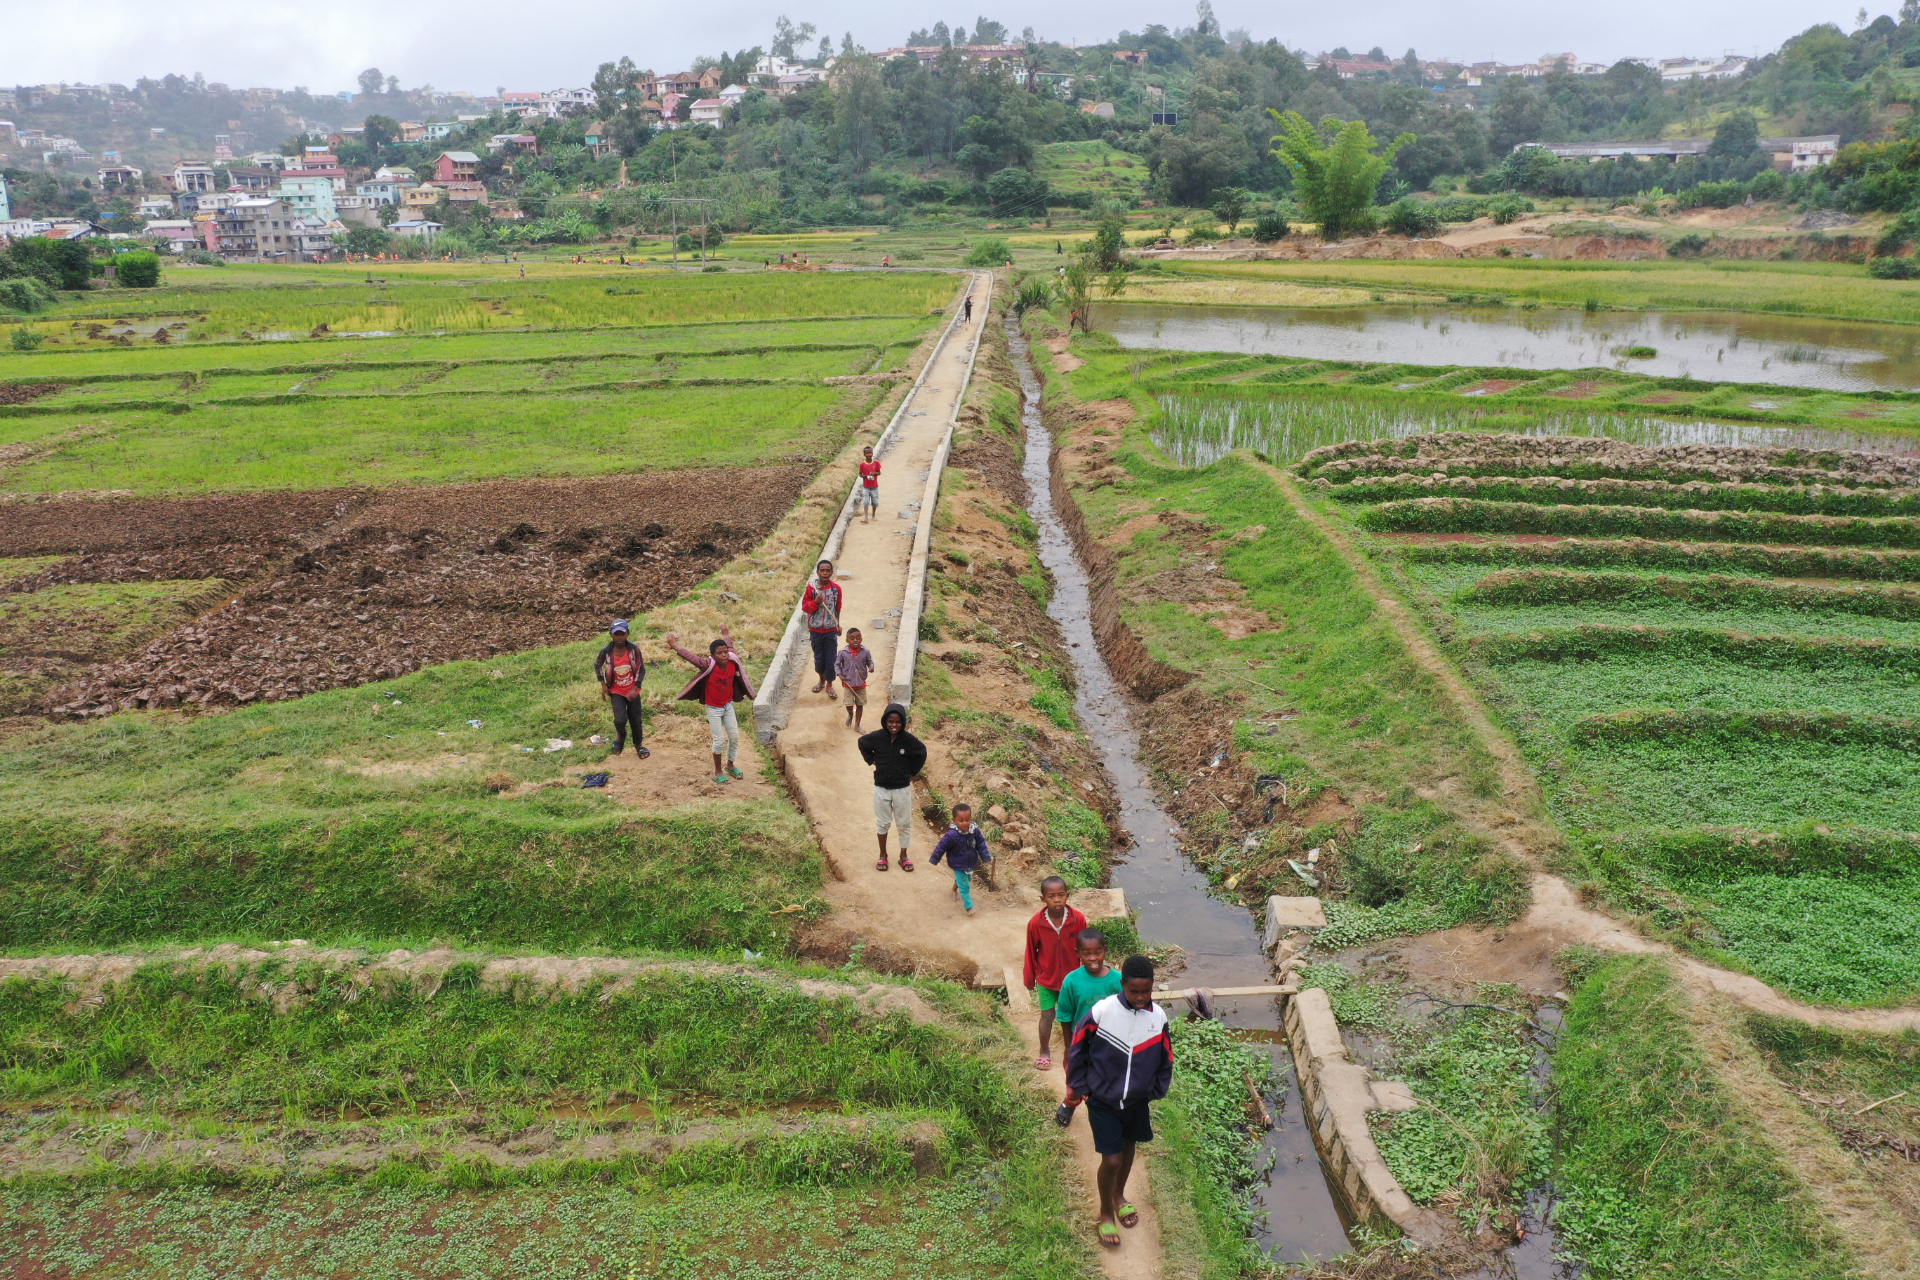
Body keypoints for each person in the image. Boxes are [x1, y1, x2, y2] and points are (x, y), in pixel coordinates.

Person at [1066, 954, 1171, 1249]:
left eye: (1146, 991)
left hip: (1137, 1101)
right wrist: (1079, 1084)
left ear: (1152, 988)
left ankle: (1119, 1195)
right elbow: (1078, 1047)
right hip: (1103, 1099)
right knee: (1111, 1160)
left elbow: (1165, 1058)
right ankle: (1105, 1212)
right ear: (1122, 984)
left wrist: (1156, 1089)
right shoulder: (1103, 1012)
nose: (1140, 998)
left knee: (1127, 1151)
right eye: (1133, 991)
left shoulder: (1158, 1018)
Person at [666, 624, 755, 784]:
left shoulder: (732, 661)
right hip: (713, 708)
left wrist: (726, 632)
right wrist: (674, 646)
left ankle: (730, 765)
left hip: (728, 706)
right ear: (712, 656)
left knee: (734, 736)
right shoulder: (708, 665)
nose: (724, 655)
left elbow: (730, 644)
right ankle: (717, 771)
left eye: (725, 652)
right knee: (719, 740)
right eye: (719, 653)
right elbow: (691, 657)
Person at [1053, 928, 1124, 1126]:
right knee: (1076, 1080)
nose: (1093, 958)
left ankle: (1103, 1113)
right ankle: (1070, 1103)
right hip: (1080, 1044)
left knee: (1105, 1082)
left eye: (1098, 952)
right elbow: (1065, 1016)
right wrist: (1068, 1047)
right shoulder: (1072, 981)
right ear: (1078, 954)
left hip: (1108, 1044)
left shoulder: (1118, 981)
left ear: (1105, 951)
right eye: (1087, 953)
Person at [1023, 877, 1088, 1071]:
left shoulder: (1078, 919)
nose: (1057, 900)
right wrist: (1029, 978)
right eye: (1051, 896)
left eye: (1061, 895)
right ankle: (1044, 1051)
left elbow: (1086, 949)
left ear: (1067, 895)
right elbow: (1030, 951)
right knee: (1047, 1016)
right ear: (1043, 899)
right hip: (1046, 979)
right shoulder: (1036, 923)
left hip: (1071, 981)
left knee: (1072, 1017)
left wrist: (1086, 975)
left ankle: (1072, 1051)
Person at [858, 702, 925, 872]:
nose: (894, 725)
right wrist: (871, 760)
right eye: (890, 721)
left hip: (902, 790)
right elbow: (862, 742)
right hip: (881, 789)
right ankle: (883, 855)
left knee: (903, 823)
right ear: (885, 722)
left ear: (903, 723)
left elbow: (921, 752)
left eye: (898, 722)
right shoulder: (877, 737)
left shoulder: (909, 741)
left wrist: (911, 773)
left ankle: (903, 856)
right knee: (883, 823)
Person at [594, 619, 649, 759]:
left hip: (632, 691)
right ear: (611, 635)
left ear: (628, 634)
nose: (620, 637)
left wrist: (636, 687)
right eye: (616, 634)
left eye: (622, 634)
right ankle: (621, 735)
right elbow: (597, 665)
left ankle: (638, 746)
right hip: (616, 691)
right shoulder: (606, 652)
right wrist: (603, 684)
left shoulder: (634, 650)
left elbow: (641, 670)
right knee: (620, 720)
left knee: (635, 720)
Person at [928, 802, 992, 913]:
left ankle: (954, 888)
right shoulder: (952, 835)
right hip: (957, 863)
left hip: (970, 862)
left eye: (967, 820)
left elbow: (981, 844)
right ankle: (969, 907)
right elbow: (941, 846)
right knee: (965, 886)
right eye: (961, 820)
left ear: (971, 819)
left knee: (967, 879)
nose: (965, 823)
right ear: (954, 821)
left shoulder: (974, 831)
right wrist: (935, 858)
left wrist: (986, 857)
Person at [801, 559, 843, 698]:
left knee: (831, 658)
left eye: (828, 570)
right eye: (822, 570)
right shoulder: (811, 589)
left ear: (832, 572)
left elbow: (837, 608)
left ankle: (830, 684)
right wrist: (815, 602)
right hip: (816, 630)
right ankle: (821, 680)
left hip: (831, 630)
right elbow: (805, 607)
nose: (825, 573)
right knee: (819, 658)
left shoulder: (836, 589)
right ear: (817, 572)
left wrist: (838, 624)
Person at [836, 627, 875, 730]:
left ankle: (857, 725)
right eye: (852, 638)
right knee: (848, 704)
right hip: (848, 684)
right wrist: (839, 675)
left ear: (861, 639)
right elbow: (837, 665)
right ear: (847, 641)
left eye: (858, 638)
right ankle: (850, 714)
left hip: (861, 684)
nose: (855, 640)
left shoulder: (865, 651)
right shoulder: (842, 652)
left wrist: (871, 667)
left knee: (860, 704)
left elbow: (870, 661)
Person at [856, 445, 882, 523]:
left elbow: (879, 472)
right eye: (867, 453)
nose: (869, 454)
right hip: (866, 487)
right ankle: (866, 517)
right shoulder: (862, 464)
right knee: (865, 502)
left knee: (875, 502)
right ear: (864, 454)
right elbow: (860, 474)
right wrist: (866, 476)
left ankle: (873, 515)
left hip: (874, 486)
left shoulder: (876, 463)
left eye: (870, 453)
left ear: (872, 453)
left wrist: (874, 473)